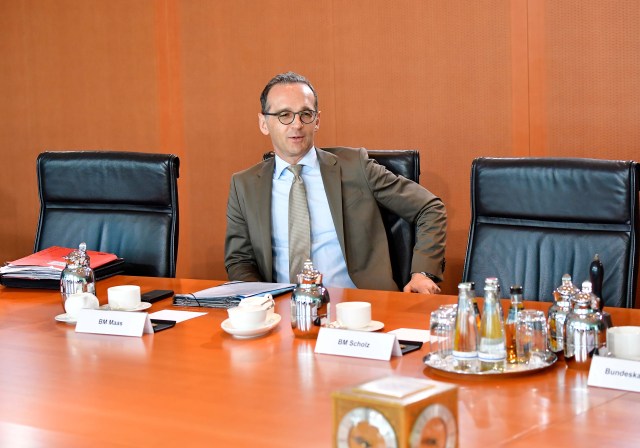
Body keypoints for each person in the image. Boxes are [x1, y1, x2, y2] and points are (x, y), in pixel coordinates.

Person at [224, 71, 446, 294]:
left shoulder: (355, 167)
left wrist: (422, 273)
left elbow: (429, 208)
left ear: (317, 120)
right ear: (264, 123)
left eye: (305, 114)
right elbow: (239, 259)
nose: (297, 124)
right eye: (284, 115)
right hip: (280, 309)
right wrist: (259, 298)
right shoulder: (244, 185)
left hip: (358, 307)